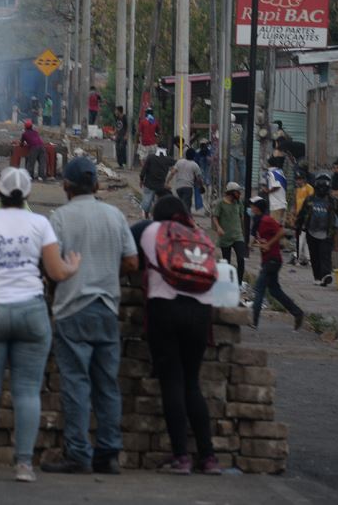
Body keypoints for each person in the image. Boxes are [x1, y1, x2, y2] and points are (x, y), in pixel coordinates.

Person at [0, 167, 80, 483]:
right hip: (31, 312)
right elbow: (55, 272)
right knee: (27, 392)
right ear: (28, 194)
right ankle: (24, 465)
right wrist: (72, 266)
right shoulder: (40, 223)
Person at [43, 158, 138, 476]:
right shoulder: (115, 215)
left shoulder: (59, 218)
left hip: (72, 309)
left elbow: (50, 267)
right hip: (107, 309)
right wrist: (108, 271)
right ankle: (109, 454)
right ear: (97, 185)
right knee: (107, 384)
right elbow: (132, 262)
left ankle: (78, 453)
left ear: (67, 186)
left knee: (76, 384)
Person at [133, 196, 222, 475]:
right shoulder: (201, 236)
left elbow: (129, 260)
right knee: (191, 383)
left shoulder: (150, 230)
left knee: (172, 382)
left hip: (165, 309)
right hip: (200, 314)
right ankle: (208, 458)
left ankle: (181, 457)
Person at [293, 175, 338, 287]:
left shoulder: (333, 201)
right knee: (314, 255)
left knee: (325, 254)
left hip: (327, 233)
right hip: (311, 231)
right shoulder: (310, 200)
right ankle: (317, 277)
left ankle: (326, 274)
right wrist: (298, 225)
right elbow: (302, 214)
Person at [212, 183, 248, 285]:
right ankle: (226, 282)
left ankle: (239, 283)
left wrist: (243, 232)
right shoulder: (221, 204)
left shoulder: (238, 203)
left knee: (241, 259)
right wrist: (218, 228)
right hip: (225, 237)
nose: (239, 194)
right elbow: (215, 216)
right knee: (226, 262)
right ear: (231, 192)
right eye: (237, 192)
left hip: (238, 236)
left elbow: (241, 217)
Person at [139, 148, 174, 218]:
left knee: (147, 200)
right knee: (158, 202)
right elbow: (176, 164)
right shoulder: (168, 159)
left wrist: (141, 180)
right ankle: (155, 215)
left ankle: (146, 215)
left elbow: (144, 170)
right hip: (160, 185)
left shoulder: (150, 157)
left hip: (149, 184)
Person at [263, 155, 288, 223]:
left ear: (269, 164)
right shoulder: (280, 172)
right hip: (282, 204)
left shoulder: (272, 173)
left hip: (276, 205)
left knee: (274, 226)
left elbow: (277, 186)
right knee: (280, 226)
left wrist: (267, 191)